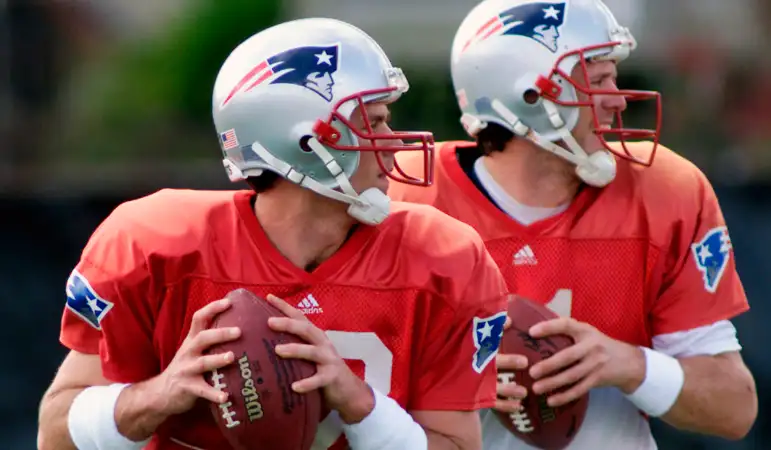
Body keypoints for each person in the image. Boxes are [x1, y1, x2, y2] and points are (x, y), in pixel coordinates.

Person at [37, 18, 509, 450]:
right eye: (378, 121)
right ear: (308, 143)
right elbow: (54, 434)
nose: (394, 144)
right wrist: (157, 396)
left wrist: (360, 405)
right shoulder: (154, 245)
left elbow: (458, 443)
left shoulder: (444, 257)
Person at [389, 0, 758, 448]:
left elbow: (734, 407)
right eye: (598, 81)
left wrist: (630, 364)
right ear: (529, 97)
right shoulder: (405, 199)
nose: (617, 100)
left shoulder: (662, 191)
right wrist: (447, 379)